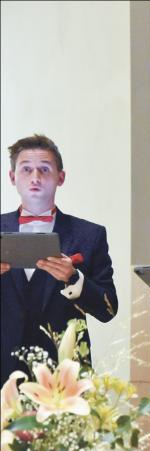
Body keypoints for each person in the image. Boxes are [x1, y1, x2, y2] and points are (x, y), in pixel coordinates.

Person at [1, 134, 118, 384]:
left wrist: (73, 279)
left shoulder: (90, 235)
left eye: (44, 169)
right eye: (26, 169)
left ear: (60, 177)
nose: (35, 177)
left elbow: (109, 309)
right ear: (13, 177)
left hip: (64, 373)